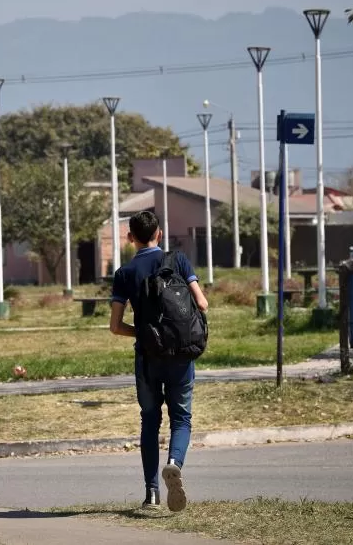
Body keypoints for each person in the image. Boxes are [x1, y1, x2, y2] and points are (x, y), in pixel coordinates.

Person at [109, 210, 209, 512]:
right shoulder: (177, 260)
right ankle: (174, 463)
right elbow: (202, 303)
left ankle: (151, 493)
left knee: (150, 421)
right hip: (180, 355)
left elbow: (115, 326)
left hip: (147, 357)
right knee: (181, 418)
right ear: (160, 234)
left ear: (130, 238)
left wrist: (143, 334)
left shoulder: (124, 274)